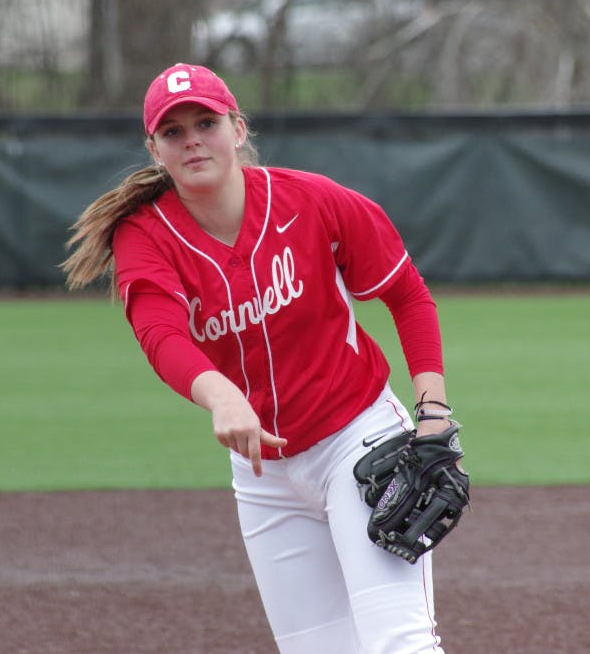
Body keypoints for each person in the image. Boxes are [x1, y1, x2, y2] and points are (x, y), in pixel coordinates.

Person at [62, 63, 460, 653]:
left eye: (206, 121)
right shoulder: (145, 234)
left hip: (359, 438)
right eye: (173, 131)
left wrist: (434, 411)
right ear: (154, 149)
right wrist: (219, 393)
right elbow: (160, 334)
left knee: (397, 643)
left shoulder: (312, 200)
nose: (192, 138)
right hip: (263, 475)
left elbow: (407, 294)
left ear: (238, 129)